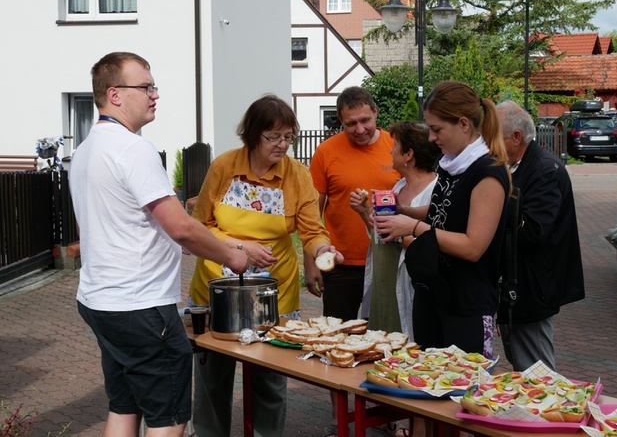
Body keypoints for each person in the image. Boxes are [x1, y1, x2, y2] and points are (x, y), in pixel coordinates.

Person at [69, 52, 248, 437]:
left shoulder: (85, 151)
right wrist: (232, 257)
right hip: (140, 306)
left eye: (154, 86)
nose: (155, 94)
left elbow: (112, 225)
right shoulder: (134, 149)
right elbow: (181, 228)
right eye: (146, 87)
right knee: (168, 417)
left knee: (124, 407)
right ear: (114, 94)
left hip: (100, 301)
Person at [188, 94, 342, 437]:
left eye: (288, 137)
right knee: (212, 377)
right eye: (274, 137)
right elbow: (202, 225)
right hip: (217, 287)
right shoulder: (225, 166)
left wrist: (321, 250)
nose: (283, 145)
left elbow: (311, 230)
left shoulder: (297, 176)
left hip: (273, 293)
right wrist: (240, 246)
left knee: (270, 381)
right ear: (253, 134)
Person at [375, 80, 510, 359]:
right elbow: (445, 211)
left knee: (462, 390)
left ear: (463, 124)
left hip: (467, 305)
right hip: (434, 295)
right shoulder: (452, 164)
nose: (433, 138)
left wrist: (413, 227)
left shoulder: (487, 172)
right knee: (428, 387)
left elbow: (473, 246)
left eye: (437, 130)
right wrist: (404, 211)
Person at [305, 86, 399, 437]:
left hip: (388, 262)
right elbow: (311, 212)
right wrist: (311, 261)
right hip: (341, 262)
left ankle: (386, 416)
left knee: (386, 342)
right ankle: (338, 417)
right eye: (350, 124)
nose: (359, 129)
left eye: (365, 120)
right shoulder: (327, 152)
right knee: (338, 342)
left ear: (376, 112)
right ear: (339, 122)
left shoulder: (395, 146)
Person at [495, 100, 585, 371]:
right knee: (523, 363)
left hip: (533, 288)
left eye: (494, 138)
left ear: (516, 138)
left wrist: (491, 214)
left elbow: (533, 231)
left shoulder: (544, 170)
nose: (490, 146)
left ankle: (546, 412)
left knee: (537, 371)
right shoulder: (523, 165)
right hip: (520, 285)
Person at [350, 122, 439, 339]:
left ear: (408, 154)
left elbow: (434, 244)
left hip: (410, 284)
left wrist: (400, 236)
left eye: (396, 145)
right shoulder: (398, 188)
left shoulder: (434, 191)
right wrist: (365, 212)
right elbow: (382, 235)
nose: (391, 150)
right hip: (385, 284)